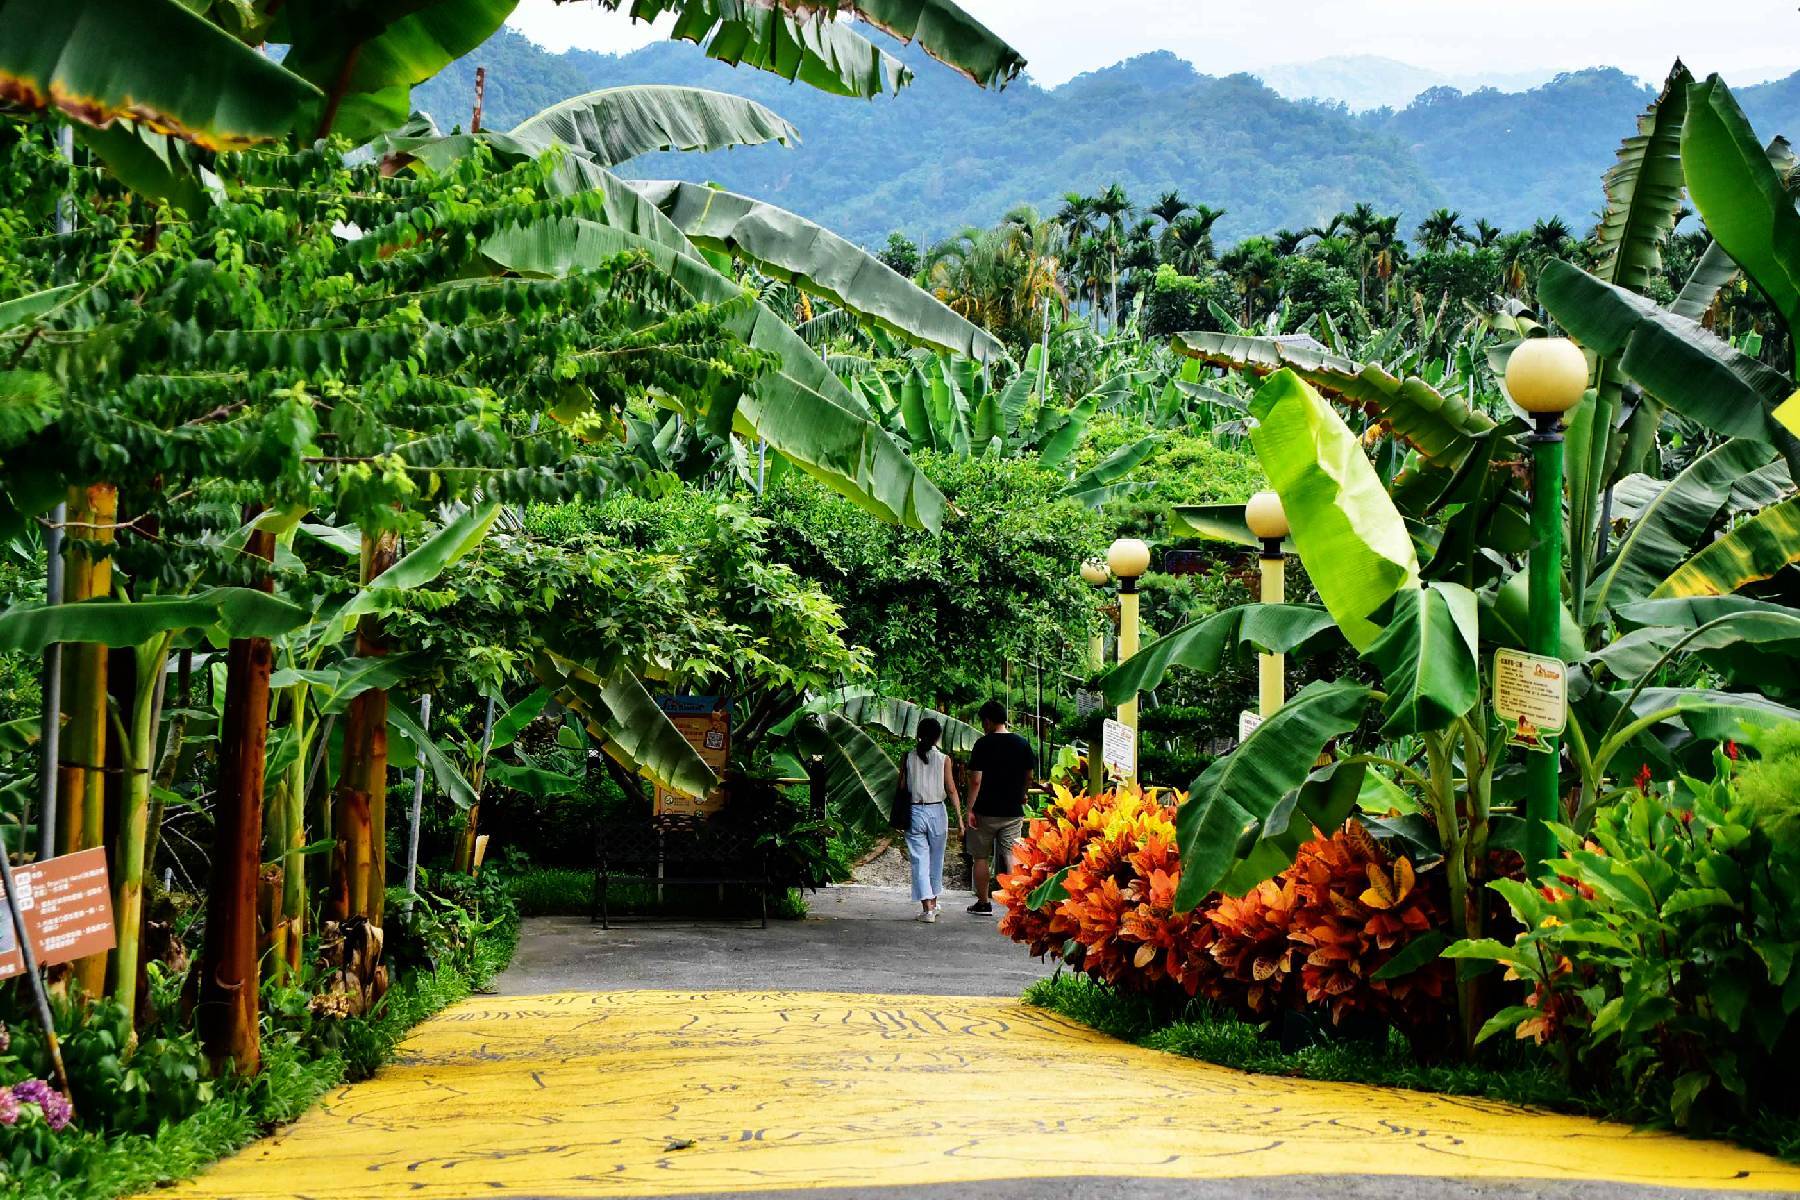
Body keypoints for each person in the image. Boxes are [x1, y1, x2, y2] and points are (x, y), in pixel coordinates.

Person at [963, 699, 1035, 916]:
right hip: (1012, 811)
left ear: (988, 721)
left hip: (985, 811)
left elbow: (976, 781)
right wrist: (1022, 793)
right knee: (1010, 856)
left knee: (981, 857)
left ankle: (983, 903)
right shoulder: (1022, 744)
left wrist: (970, 809)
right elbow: (1029, 776)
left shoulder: (983, 745)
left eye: (983, 722)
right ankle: (1016, 904)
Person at [901, 718, 961, 922]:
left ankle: (928, 908)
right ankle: (932, 902)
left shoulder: (907, 757)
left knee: (919, 860)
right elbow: (951, 789)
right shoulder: (944, 759)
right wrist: (960, 819)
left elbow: (901, 788)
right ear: (938, 736)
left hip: (915, 811)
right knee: (936, 859)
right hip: (937, 812)